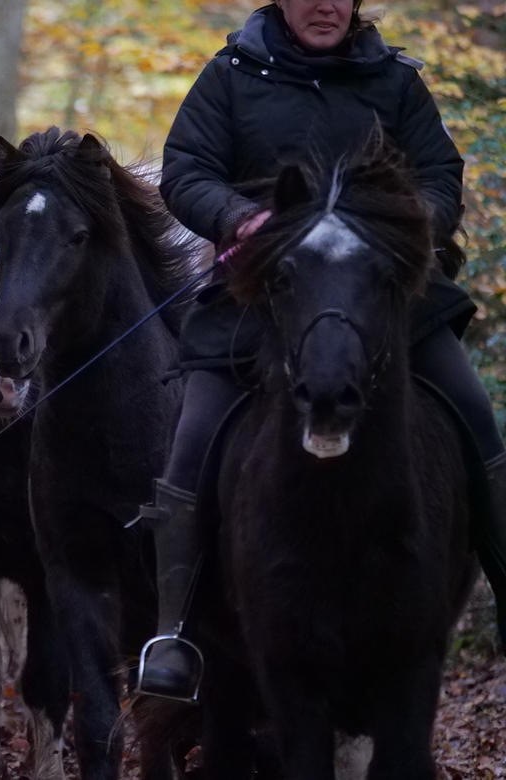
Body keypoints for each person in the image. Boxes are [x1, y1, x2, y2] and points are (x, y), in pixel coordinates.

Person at [136, 0, 506, 700]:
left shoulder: (395, 81)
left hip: (385, 305)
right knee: (192, 444)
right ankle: (175, 635)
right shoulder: (231, 76)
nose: (326, 5)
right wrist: (239, 217)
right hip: (259, 299)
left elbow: (439, 173)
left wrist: (401, 227)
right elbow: (186, 170)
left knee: (475, 419)